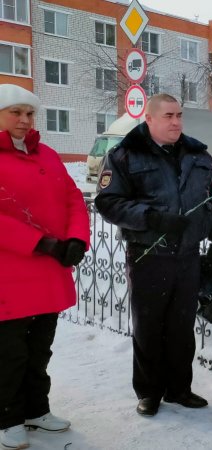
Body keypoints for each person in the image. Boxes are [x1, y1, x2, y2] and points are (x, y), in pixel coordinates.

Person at [95, 93, 212, 417]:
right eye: (169, 116)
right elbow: (107, 202)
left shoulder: (198, 155)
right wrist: (152, 218)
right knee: (149, 328)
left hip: (188, 257)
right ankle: (149, 392)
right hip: (148, 257)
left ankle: (179, 389)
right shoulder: (126, 155)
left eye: (180, 115)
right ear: (150, 119)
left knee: (182, 328)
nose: (176, 122)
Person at [0, 84, 90, 449]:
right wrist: (38, 242)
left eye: (29, 113)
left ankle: (36, 409)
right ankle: (7, 417)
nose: (24, 120)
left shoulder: (48, 154)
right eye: (15, 113)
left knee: (40, 348)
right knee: (9, 353)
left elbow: (72, 197)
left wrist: (77, 238)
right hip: (11, 275)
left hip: (49, 271)